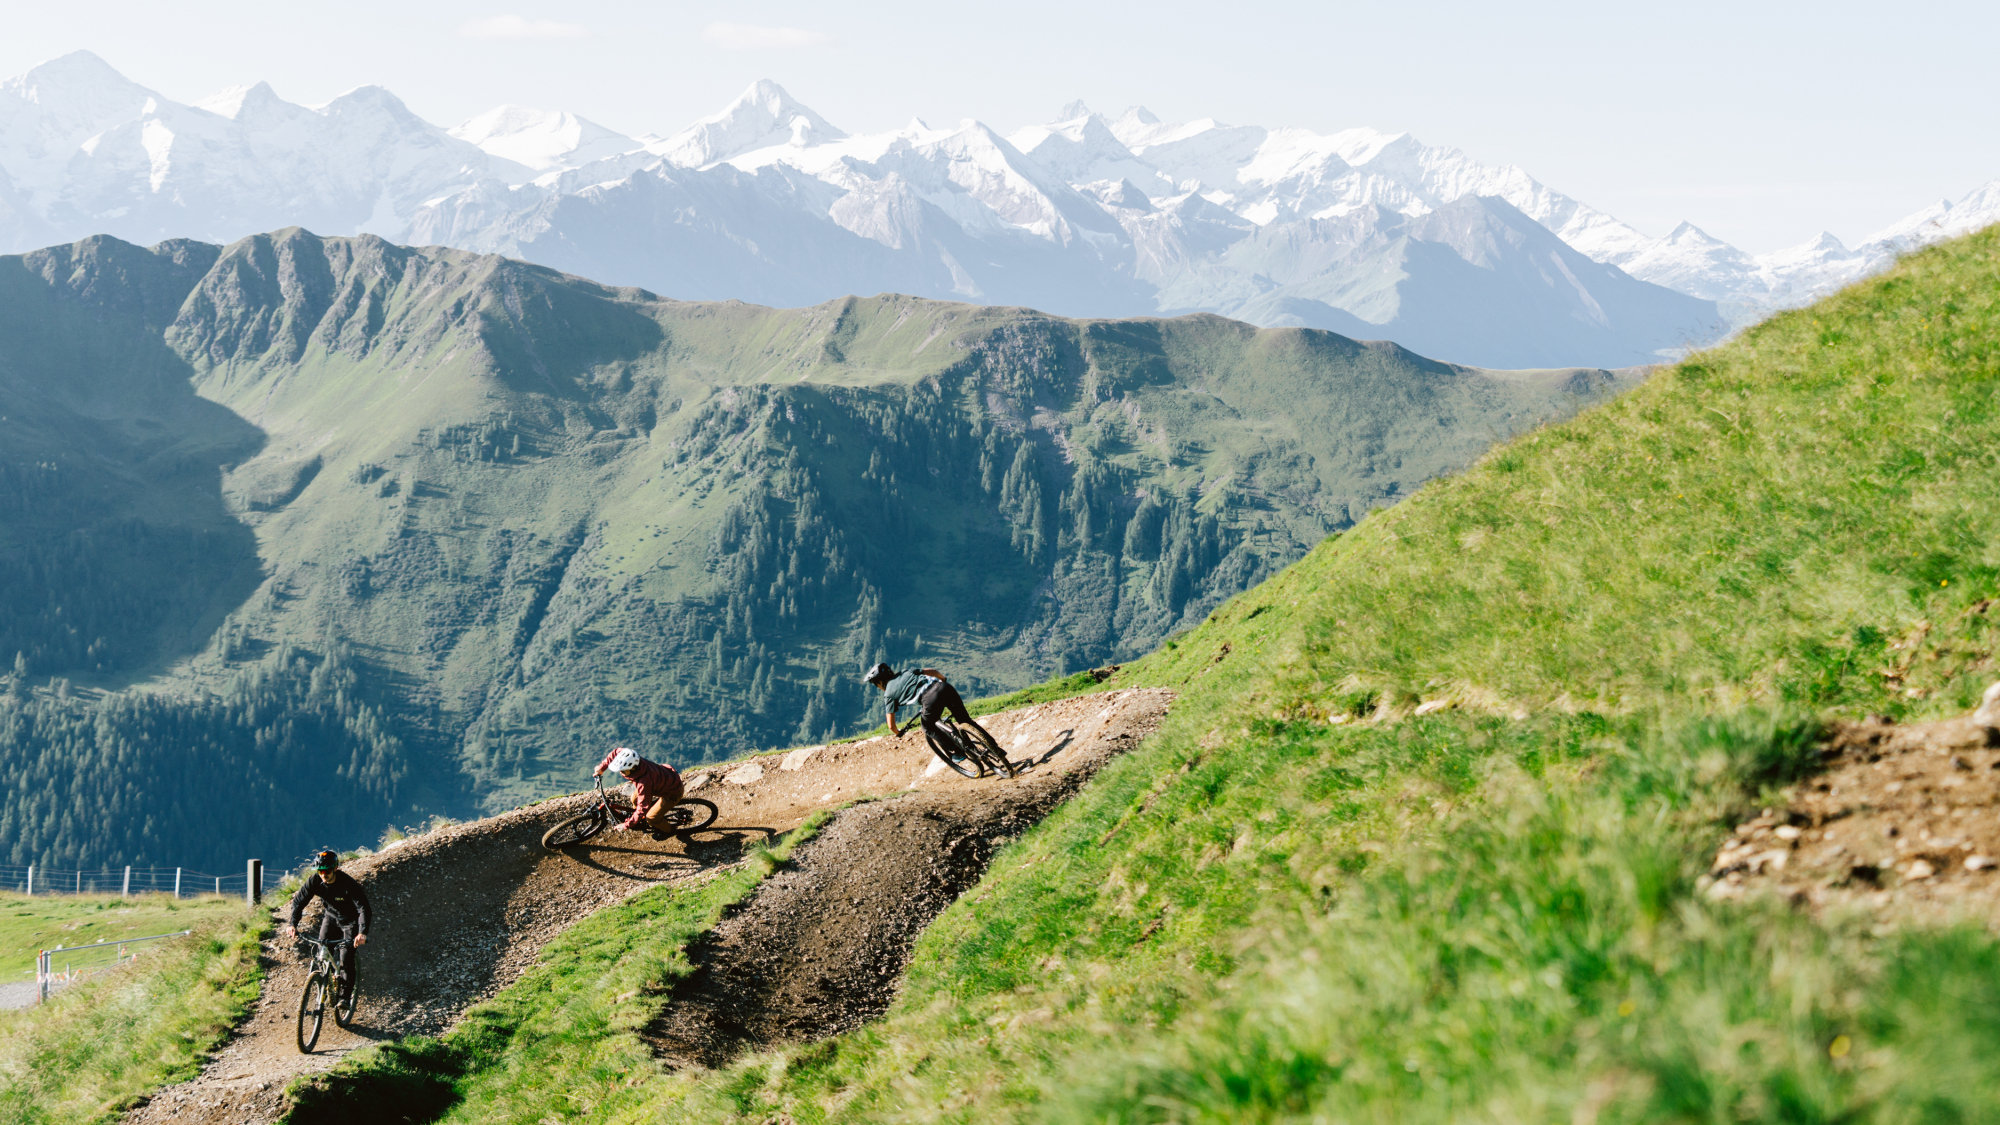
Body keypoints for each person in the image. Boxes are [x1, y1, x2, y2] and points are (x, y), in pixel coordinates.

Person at [864, 661, 1014, 774]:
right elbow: (932, 671)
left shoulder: (888, 694)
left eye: (876, 684)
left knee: (927, 726)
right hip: (944, 688)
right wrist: (942, 678)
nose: (878, 687)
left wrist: (898, 733)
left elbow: (891, 725)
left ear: (880, 682)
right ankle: (995, 748)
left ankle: (956, 752)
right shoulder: (906, 672)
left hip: (929, 699)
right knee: (965, 721)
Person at [284, 850, 371, 1002]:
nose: (324, 874)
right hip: (330, 918)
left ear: (335, 868)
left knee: (346, 957)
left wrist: (362, 932)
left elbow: (363, 907)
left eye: (327, 871)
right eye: (320, 871)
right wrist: (292, 924)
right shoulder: (315, 880)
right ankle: (326, 984)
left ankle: (344, 997)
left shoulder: (347, 883)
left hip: (350, 921)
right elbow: (298, 901)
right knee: (321, 952)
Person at [594, 746, 685, 839]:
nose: (622, 772)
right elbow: (616, 752)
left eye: (623, 770)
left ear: (631, 768)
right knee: (634, 798)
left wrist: (626, 825)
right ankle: (638, 818)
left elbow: (642, 808)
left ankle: (670, 831)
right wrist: (602, 767)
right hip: (664, 779)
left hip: (673, 792)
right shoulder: (633, 758)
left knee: (651, 818)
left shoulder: (644, 783)